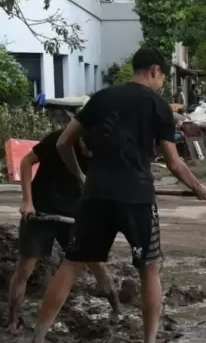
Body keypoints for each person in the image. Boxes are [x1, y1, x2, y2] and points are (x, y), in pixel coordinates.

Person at [32, 47, 206, 343]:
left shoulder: (101, 98)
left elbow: (65, 141)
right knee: (150, 268)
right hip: (137, 197)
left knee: (72, 264)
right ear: (154, 70)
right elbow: (173, 163)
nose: (161, 83)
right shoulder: (159, 107)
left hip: (96, 195)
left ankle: (37, 339)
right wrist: (199, 188)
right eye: (162, 77)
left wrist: (80, 176)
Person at [7, 129, 122, 329]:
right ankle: (13, 320)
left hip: (75, 213)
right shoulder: (59, 140)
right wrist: (27, 202)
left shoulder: (107, 152)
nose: (90, 155)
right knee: (26, 266)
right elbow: (26, 162)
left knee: (96, 263)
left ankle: (117, 310)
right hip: (40, 210)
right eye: (87, 149)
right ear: (81, 139)